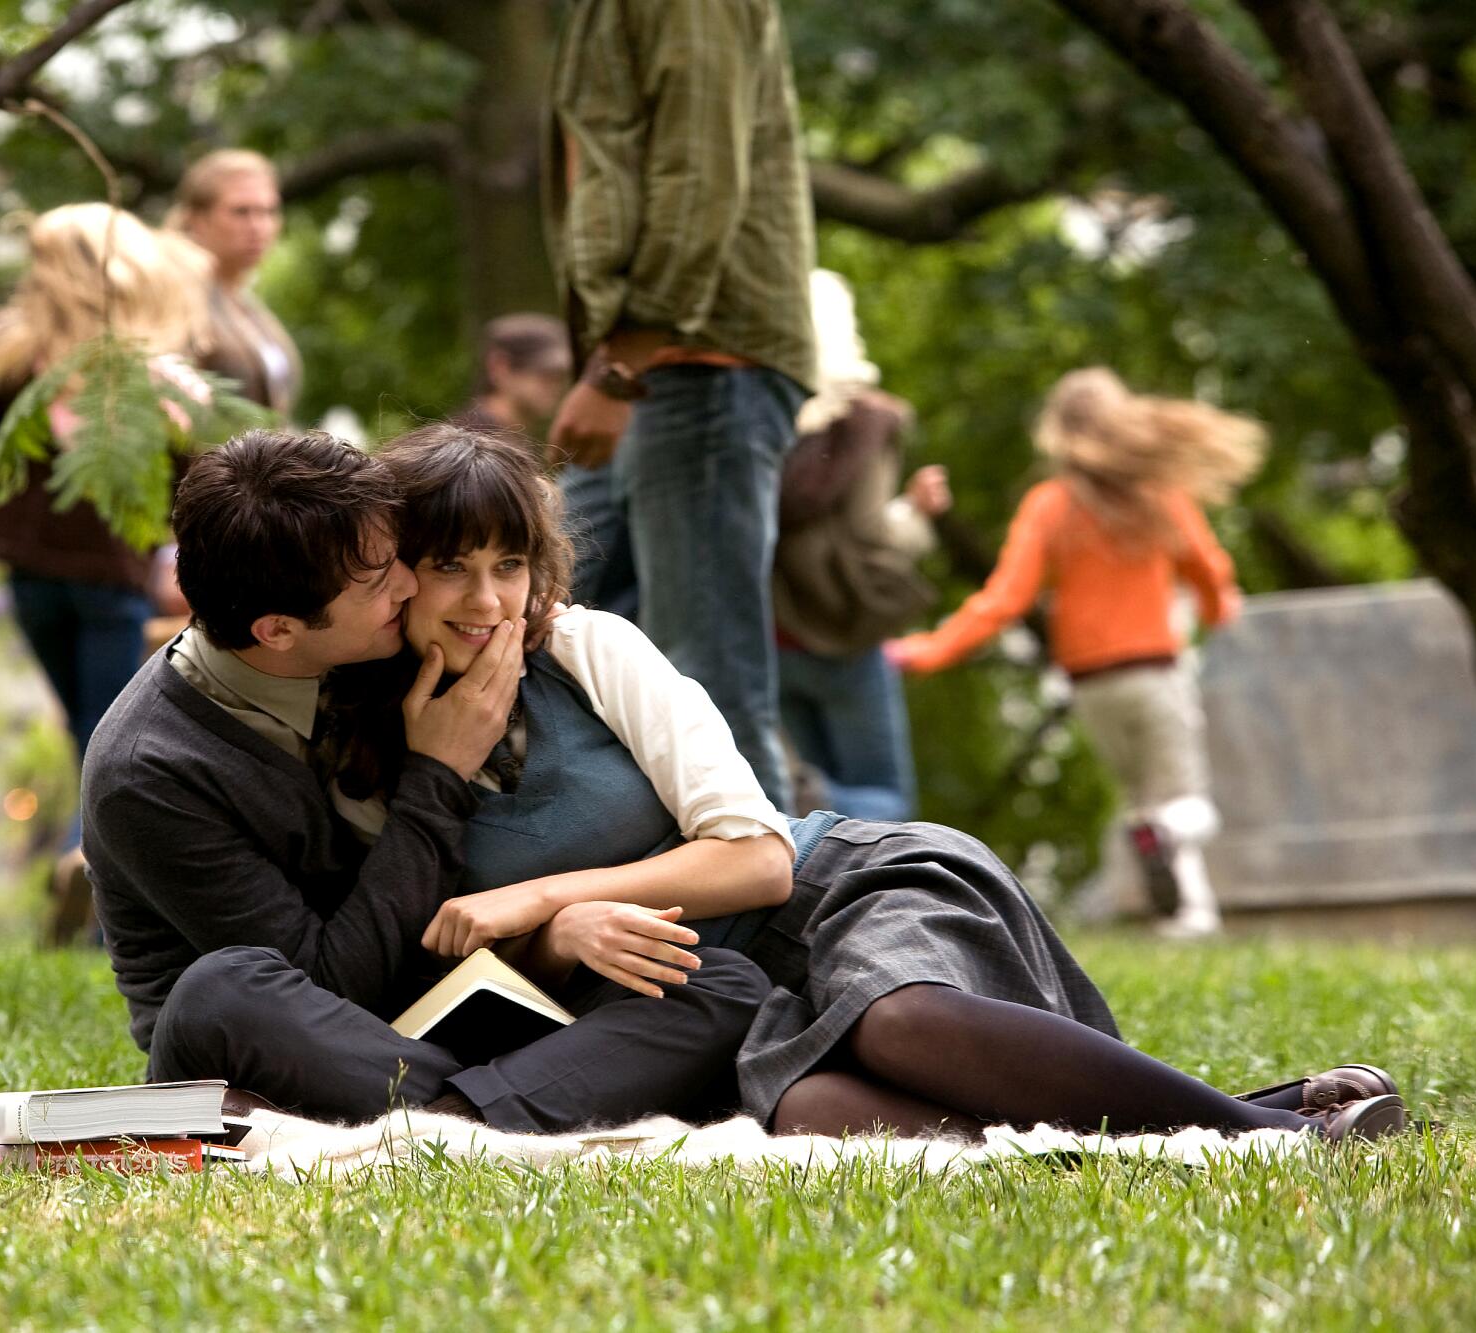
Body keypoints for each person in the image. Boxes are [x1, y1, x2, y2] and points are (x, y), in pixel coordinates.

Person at [332, 426, 1406, 1144]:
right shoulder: (370, 752)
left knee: (895, 1021)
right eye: (450, 565)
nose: (485, 599)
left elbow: (755, 856)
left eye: (508, 565)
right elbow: (436, 945)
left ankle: (1273, 1139)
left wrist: (536, 898)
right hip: (724, 1001)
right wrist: (555, 927)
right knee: (815, 1116)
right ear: (394, 572)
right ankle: (1255, 1112)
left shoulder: (589, 647)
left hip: (831, 889)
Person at [79, 429, 770, 1131]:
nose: (409, 585)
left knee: (720, 984)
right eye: (381, 582)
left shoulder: (359, 659)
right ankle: (489, 1112)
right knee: (220, 990)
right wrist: (438, 772)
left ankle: (455, 1119)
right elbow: (328, 983)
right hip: (308, 1037)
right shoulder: (149, 772)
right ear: (279, 630)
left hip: (453, 1016)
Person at [0, 203, 213, 940]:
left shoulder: (7, 362)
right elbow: (202, 484)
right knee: (108, 731)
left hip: (30, 578)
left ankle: (92, 879)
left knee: (86, 723)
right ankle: (98, 876)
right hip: (111, 580)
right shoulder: (153, 380)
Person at [543, 0, 818, 807]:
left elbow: (698, 175)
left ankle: (790, 919)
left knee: (710, 687)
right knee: (546, 625)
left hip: (697, 360)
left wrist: (621, 366)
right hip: (655, 357)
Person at [889, 368, 1264, 939]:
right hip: (1155, 675)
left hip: (1092, 685)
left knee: (1144, 800)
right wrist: (1217, 609)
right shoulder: (1161, 497)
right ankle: (1169, 847)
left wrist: (930, 649)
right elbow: (1208, 568)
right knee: (1184, 804)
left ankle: (1189, 918)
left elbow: (1004, 599)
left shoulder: (1050, 504)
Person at [772, 270, 951, 821]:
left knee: (830, 817)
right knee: (888, 802)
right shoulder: (866, 423)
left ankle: (804, 797)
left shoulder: (760, 415)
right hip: (844, 633)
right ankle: (799, 794)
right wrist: (917, 515)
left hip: (773, 636)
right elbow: (869, 535)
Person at [164, 149, 300, 418]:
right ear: (196, 219)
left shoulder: (245, 302)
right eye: (241, 211)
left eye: (268, 211)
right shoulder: (173, 295)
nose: (258, 226)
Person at [451, 313, 573, 444]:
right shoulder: (469, 443)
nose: (556, 384)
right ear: (499, 367)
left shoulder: (510, 436)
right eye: (545, 373)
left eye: (560, 374)